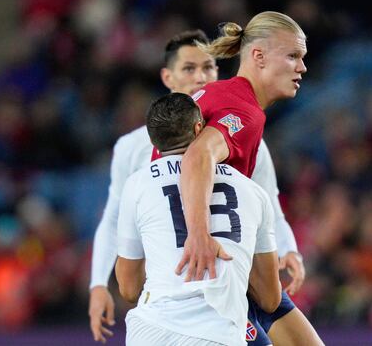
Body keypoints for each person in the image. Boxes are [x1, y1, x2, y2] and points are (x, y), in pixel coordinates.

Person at [89, 29, 306, 344]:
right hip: (194, 283)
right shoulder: (133, 146)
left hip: (234, 273)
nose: (201, 76)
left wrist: (289, 250)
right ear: (168, 78)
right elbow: (112, 219)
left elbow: (270, 204)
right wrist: (98, 284)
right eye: (189, 69)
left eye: (208, 67)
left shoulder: (239, 130)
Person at [178, 12, 323, 345]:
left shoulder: (215, 96)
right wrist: (199, 234)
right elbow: (198, 156)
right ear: (258, 56)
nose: (302, 68)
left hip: (217, 266)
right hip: (207, 275)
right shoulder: (244, 112)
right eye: (293, 56)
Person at [116, 92, 281, 346]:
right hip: (218, 333)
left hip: (151, 331)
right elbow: (270, 298)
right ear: (199, 128)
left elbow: (128, 288)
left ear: (152, 141)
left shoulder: (137, 185)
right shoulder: (253, 192)